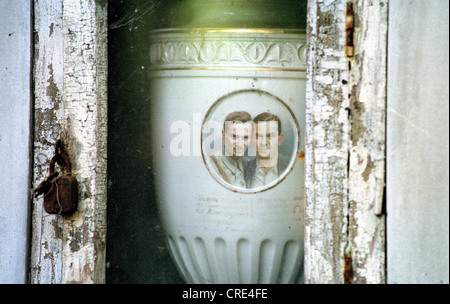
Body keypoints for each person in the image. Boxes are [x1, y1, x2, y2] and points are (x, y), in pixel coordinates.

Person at [207, 111, 253, 188]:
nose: (240, 144)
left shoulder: (249, 165)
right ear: (223, 135)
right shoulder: (209, 164)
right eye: (234, 137)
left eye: (245, 137)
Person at [244, 112, 290, 189]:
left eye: (270, 136)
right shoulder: (244, 169)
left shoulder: (290, 165)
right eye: (258, 136)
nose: (263, 142)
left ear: (280, 139)